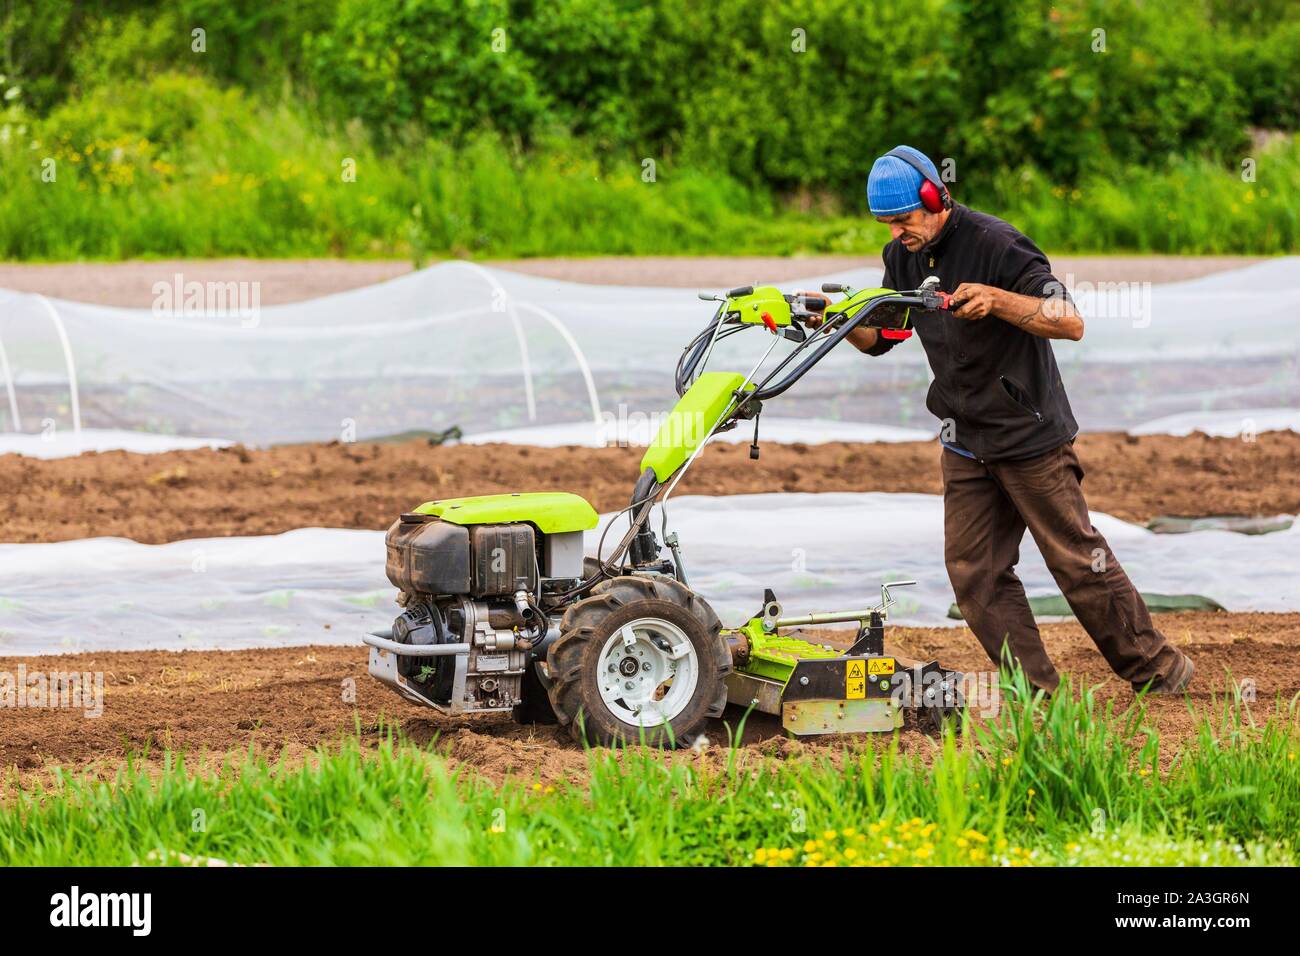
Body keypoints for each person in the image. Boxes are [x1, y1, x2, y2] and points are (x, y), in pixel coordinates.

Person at [817, 144, 1193, 696]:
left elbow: (1069, 322)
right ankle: (1038, 692)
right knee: (974, 574)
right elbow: (887, 336)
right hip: (964, 440)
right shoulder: (900, 256)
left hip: (1028, 435)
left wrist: (997, 300)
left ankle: (1159, 670)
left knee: (1075, 561)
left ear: (935, 197)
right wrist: (837, 319)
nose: (898, 233)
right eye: (887, 224)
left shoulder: (996, 243)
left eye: (905, 219)